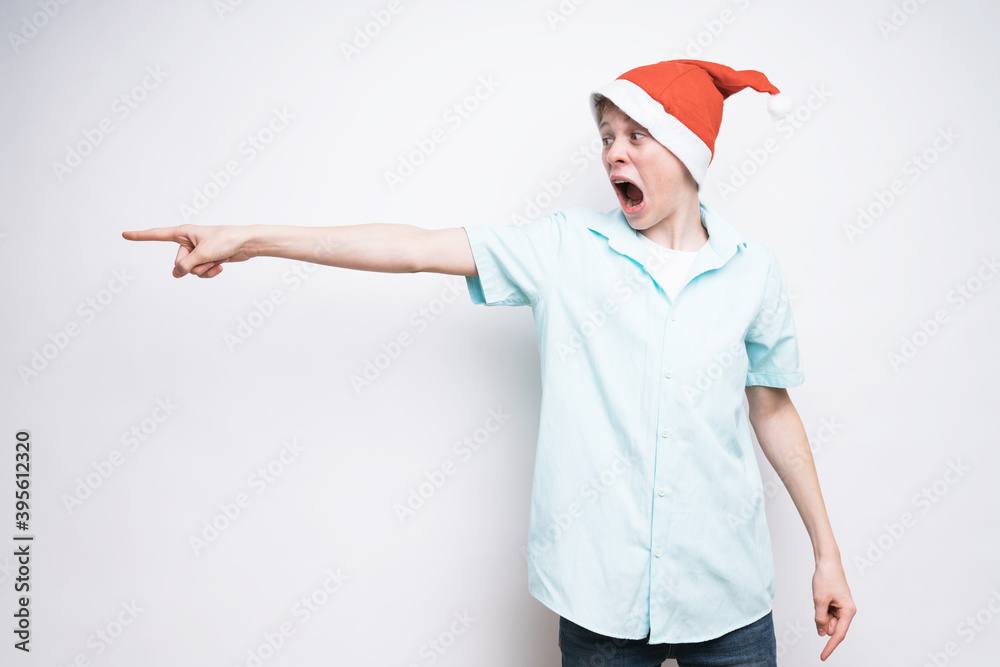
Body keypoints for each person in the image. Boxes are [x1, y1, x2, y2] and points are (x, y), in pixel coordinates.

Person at [123, 59, 856, 666]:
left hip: (726, 596)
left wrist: (827, 552)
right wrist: (247, 238)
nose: (612, 153)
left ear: (688, 148)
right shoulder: (565, 248)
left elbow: (772, 407)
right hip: (597, 597)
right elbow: (412, 247)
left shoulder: (752, 273)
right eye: (606, 136)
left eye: (636, 134)